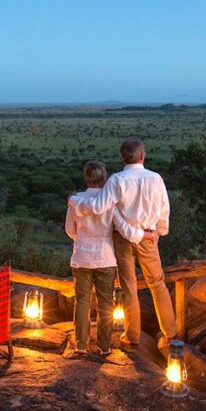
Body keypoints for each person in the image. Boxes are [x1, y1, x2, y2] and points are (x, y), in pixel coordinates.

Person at [68, 137, 175, 350]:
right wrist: (159, 231)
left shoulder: (116, 180)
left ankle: (132, 335)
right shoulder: (156, 179)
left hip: (122, 238)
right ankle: (170, 333)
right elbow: (164, 209)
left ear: (122, 158)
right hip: (149, 237)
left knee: (129, 287)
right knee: (158, 283)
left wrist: (74, 200)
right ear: (143, 156)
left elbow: (98, 207)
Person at [64, 160, 138, 356]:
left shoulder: (76, 201)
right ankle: (104, 346)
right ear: (104, 178)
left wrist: (82, 239)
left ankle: (81, 345)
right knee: (106, 302)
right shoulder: (110, 203)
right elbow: (120, 228)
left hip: (81, 257)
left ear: (86, 177)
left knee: (82, 301)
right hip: (105, 258)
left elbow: (70, 230)